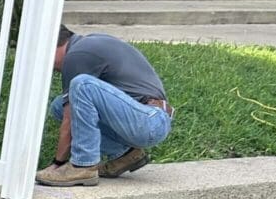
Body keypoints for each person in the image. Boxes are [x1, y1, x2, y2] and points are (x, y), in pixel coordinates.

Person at [36, 26, 173, 188]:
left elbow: (69, 119)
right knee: (59, 105)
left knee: (82, 85)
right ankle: (126, 154)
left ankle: (83, 165)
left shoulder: (76, 56)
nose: (50, 67)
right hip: (148, 118)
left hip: (150, 121)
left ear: (50, 46)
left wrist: (57, 163)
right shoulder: (88, 44)